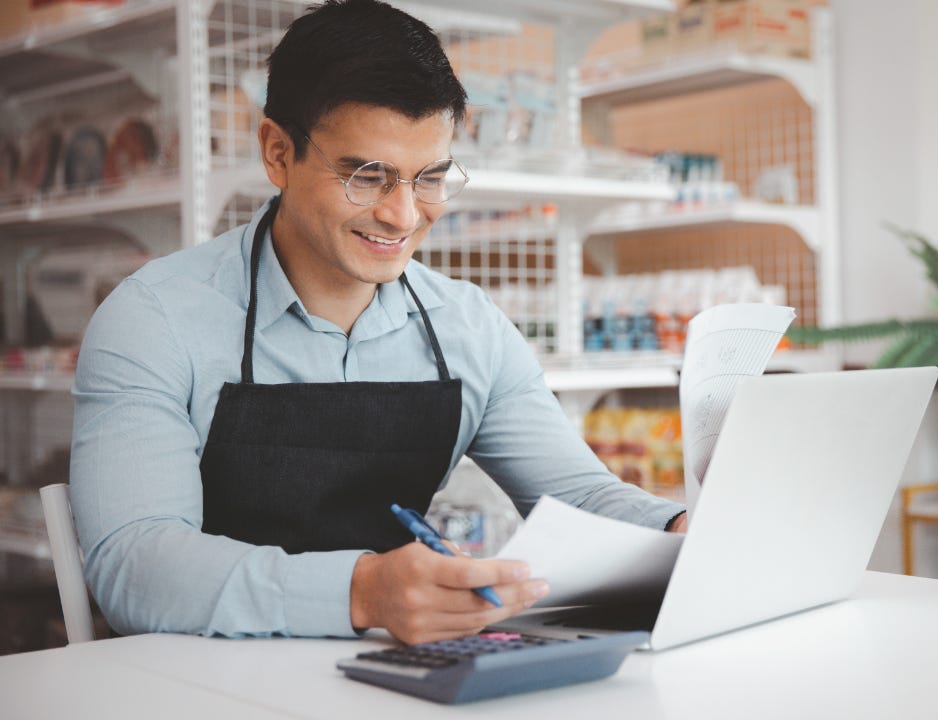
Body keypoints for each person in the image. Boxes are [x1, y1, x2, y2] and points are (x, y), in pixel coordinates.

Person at [69, 0, 686, 645]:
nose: (402, 216)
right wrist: (362, 592)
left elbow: (579, 500)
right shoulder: (155, 319)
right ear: (277, 153)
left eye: (430, 179)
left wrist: (678, 531)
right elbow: (135, 566)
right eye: (368, 177)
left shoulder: (468, 329)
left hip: (395, 681)